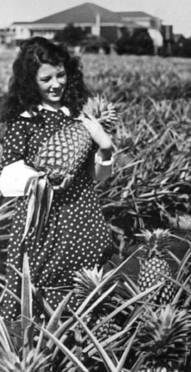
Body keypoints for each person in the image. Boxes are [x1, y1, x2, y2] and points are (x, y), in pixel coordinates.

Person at [0, 37, 114, 323]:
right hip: (44, 219)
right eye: (46, 78)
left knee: (86, 282)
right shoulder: (24, 120)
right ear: (30, 81)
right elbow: (7, 177)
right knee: (42, 281)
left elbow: (96, 176)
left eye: (61, 75)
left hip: (82, 214)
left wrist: (105, 148)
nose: (56, 84)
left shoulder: (79, 116)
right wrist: (42, 180)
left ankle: (84, 347)